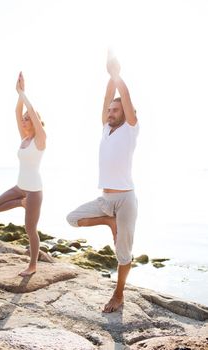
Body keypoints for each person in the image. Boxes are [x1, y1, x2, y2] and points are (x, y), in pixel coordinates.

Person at [66, 52, 139, 312]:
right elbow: (107, 98)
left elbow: (125, 98)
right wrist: (110, 76)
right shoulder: (105, 129)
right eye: (109, 110)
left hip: (126, 200)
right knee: (73, 218)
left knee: (124, 253)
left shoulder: (131, 128)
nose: (110, 112)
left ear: (126, 114)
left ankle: (118, 294)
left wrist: (118, 75)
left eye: (115, 110)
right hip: (105, 200)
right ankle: (109, 222)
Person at [0, 72, 47, 277]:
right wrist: (18, 94)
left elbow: (30, 111)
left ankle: (33, 265)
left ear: (34, 122)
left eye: (27, 119)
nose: (24, 120)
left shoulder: (40, 139)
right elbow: (18, 111)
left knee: (30, 229)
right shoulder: (24, 138)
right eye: (23, 119)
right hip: (20, 188)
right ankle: (20, 203)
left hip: (34, 190)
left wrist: (24, 92)